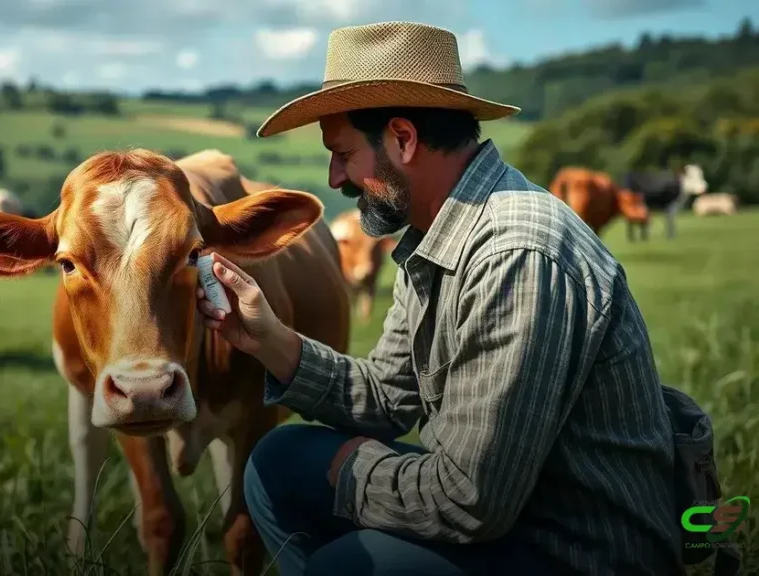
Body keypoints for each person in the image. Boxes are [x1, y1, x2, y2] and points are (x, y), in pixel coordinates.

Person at [194, 21, 682, 576]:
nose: (334, 178)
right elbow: (385, 397)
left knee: (344, 565)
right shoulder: (436, 235)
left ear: (402, 139)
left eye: (344, 153)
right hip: (514, 511)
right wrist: (270, 340)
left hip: (579, 545)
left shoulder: (515, 255)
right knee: (277, 462)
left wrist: (353, 472)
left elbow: (471, 502)